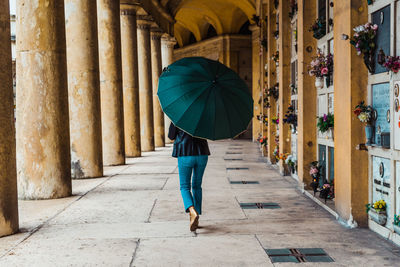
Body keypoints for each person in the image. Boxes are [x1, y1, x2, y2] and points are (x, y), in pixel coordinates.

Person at [168, 122, 210, 231]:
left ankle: (192, 210)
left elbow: (171, 136)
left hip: (185, 154)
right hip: (202, 154)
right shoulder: (204, 115)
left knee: (185, 187)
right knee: (197, 186)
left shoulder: (178, 117)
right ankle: (196, 216)